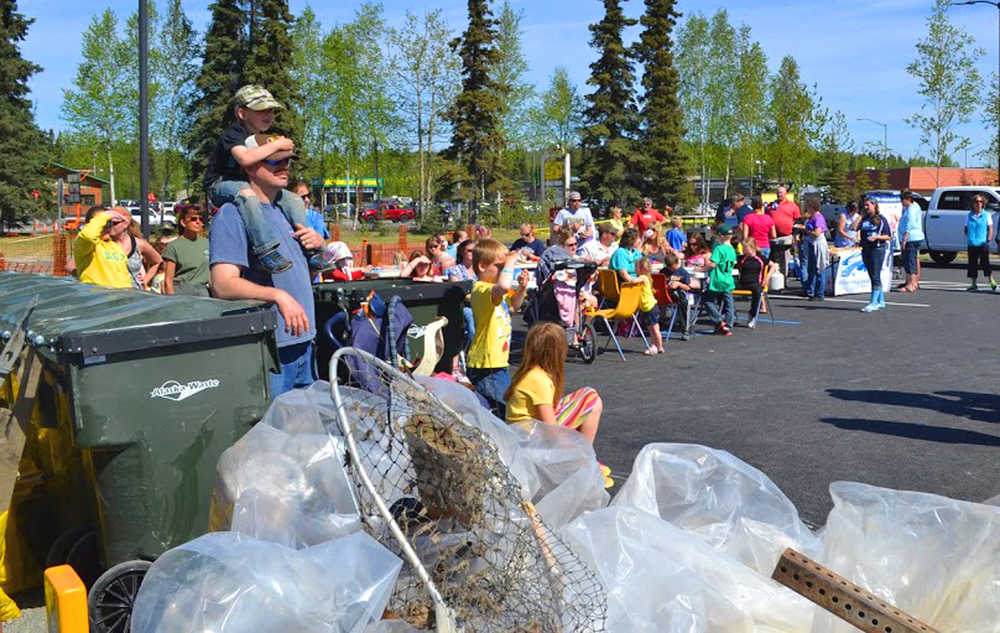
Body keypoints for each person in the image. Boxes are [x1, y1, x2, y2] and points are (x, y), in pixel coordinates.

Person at [209, 128, 324, 397]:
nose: (284, 167)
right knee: (270, 436)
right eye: (274, 161)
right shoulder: (232, 215)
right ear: (250, 167)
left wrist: (320, 247)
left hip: (304, 343)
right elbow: (222, 285)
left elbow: (303, 275)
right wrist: (277, 296)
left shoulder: (287, 211)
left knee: (303, 435)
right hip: (270, 352)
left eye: (287, 161)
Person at [204, 84, 318, 274]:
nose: (268, 115)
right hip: (221, 184)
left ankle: (308, 246)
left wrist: (280, 147)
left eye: (271, 111)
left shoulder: (262, 137)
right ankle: (265, 249)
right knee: (247, 195)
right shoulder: (234, 133)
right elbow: (245, 158)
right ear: (242, 113)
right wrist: (279, 144)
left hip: (245, 182)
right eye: (261, 111)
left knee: (293, 199)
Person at [504, 322, 610, 486]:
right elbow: (550, 428)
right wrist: (574, 450)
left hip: (525, 431)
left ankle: (582, 459)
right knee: (593, 402)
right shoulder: (539, 380)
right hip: (530, 437)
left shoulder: (532, 372)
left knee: (588, 394)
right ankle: (583, 462)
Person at [468, 239, 530, 416]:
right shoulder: (481, 289)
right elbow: (504, 286)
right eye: (499, 267)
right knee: (507, 411)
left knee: (498, 411)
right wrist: (511, 261)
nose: (504, 271)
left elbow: (513, 307)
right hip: (486, 366)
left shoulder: (494, 292)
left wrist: (522, 289)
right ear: (482, 266)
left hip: (496, 363)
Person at [73, 206, 133, 289]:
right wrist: (104, 216)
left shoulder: (115, 247)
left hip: (121, 297)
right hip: (98, 298)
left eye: (109, 223)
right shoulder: (85, 245)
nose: (107, 227)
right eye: (102, 223)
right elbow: (88, 236)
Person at [852, 197, 892, 312]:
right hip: (866, 248)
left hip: (877, 249)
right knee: (872, 275)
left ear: (874, 205)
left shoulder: (881, 219)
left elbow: (888, 236)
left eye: (868, 205)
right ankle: (881, 301)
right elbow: (853, 227)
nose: (866, 207)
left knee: (875, 275)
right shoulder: (865, 219)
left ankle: (873, 302)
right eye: (864, 205)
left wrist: (877, 237)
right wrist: (861, 215)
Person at [162, 203, 210, 296]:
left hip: (204, 292)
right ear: (183, 222)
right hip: (182, 291)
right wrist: (172, 301)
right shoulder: (173, 246)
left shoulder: (207, 244)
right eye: (193, 219)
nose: (198, 222)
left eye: (201, 219)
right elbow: (168, 281)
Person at [703, 225, 736, 335]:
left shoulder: (719, 248)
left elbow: (712, 264)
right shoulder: (732, 249)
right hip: (728, 279)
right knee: (728, 304)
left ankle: (718, 319)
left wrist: (702, 268)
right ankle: (728, 324)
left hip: (718, 279)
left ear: (721, 236)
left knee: (707, 300)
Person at [736, 238, 772, 329]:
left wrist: (767, 278)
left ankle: (752, 314)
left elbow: (773, 266)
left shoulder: (760, 258)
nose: (744, 250)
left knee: (757, 292)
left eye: (745, 248)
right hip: (743, 282)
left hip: (755, 283)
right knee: (726, 288)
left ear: (752, 248)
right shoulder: (741, 258)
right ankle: (728, 315)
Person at [118, 219, 163, 290]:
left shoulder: (138, 243)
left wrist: (145, 280)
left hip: (135, 292)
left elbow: (157, 261)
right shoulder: (104, 244)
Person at [963, 194, 995, 292]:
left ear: (983, 204)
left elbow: (990, 227)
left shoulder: (986, 215)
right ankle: (973, 284)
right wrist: (969, 237)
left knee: (985, 263)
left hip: (983, 243)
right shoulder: (969, 215)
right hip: (972, 243)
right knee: (972, 265)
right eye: (976, 202)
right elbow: (965, 228)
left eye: (980, 201)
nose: (978, 203)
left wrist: (989, 238)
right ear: (973, 204)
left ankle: (991, 281)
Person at [663, 252, 697, 340]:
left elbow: (688, 287)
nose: (674, 269)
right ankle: (663, 320)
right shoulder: (663, 272)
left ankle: (685, 328)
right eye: (671, 268)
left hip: (677, 294)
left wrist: (679, 284)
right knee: (682, 301)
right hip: (664, 294)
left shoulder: (683, 272)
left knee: (683, 301)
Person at [634, 257, 665, 355]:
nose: (634, 269)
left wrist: (626, 277)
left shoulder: (643, 277)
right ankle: (654, 345)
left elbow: (633, 281)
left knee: (655, 329)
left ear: (641, 269)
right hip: (647, 307)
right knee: (651, 329)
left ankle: (660, 347)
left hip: (651, 307)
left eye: (636, 267)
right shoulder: (646, 277)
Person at [801, 197, 829, 301]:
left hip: (818, 244)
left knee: (819, 268)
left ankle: (820, 293)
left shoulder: (818, 218)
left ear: (812, 207)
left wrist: (806, 230)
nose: (807, 209)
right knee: (811, 268)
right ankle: (811, 291)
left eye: (808, 207)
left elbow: (817, 233)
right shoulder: (812, 217)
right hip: (811, 244)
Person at [897, 190, 924, 293]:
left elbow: (909, 225)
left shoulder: (911, 210)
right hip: (915, 237)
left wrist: (904, 239)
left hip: (911, 238)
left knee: (910, 260)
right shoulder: (915, 206)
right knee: (912, 259)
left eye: (903, 200)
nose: (902, 203)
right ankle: (911, 282)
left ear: (908, 199)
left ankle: (911, 284)